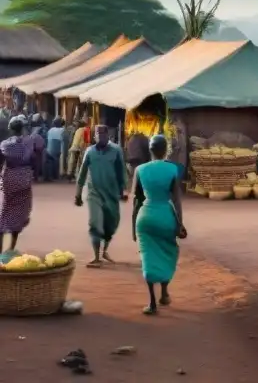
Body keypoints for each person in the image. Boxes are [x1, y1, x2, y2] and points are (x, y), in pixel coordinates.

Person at [131, 135, 186, 315]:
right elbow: (177, 200)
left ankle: (152, 303)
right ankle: (164, 292)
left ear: (150, 149)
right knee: (168, 252)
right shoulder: (172, 169)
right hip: (165, 216)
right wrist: (180, 224)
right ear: (165, 150)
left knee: (148, 258)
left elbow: (136, 200)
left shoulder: (140, 170)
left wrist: (133, 226)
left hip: (145, 217)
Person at [75, 124, 127, 267]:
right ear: (94, 136)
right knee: (95, 224)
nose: (100, 137)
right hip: (94, 193)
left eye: (103, 134)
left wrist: (122, 190)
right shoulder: (89, 152)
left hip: (111, 193)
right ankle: (96, 257)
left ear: (108, 136)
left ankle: (105, 249)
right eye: (98, 134)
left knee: (111, 224)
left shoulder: (116, 151)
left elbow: (121, 171)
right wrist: (78, 194)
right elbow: (82, 173)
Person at [0, 116, 35, 252]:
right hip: (25, 180)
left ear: (10, 130)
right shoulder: (29, 142)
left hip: (9, 181)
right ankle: (11, 248)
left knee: (3, 213)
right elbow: (34, 159)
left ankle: (0, 249)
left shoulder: (5, 145)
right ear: (22, 129)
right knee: (19, 213)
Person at [44, 117, 65, 182]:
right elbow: (63, 141)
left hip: (49, 148)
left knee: (50, 162)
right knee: (56, 161)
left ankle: (50, 176)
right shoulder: (63, 130)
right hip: (57, 147)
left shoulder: (50, 130)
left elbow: (47, 139)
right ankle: (56, 176)